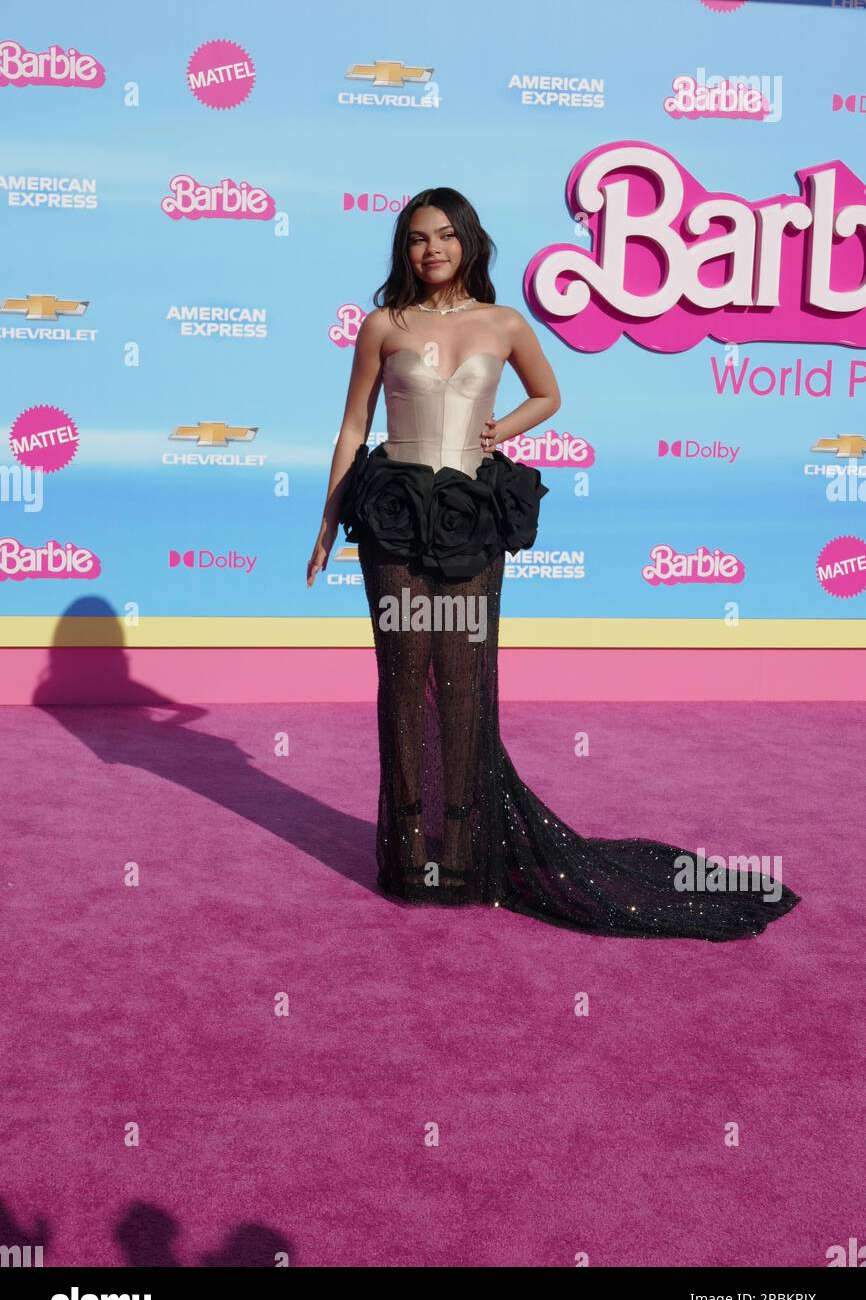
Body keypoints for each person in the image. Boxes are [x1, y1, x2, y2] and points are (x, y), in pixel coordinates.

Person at [306, 187, 800, 940]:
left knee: (465, 686)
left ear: (470, 242)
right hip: (393, 520)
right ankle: (410, 860)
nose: (432, 249)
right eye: (417, 238)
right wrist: (327, 519)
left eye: (445, 235)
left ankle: (463, 857)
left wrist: (499, 429)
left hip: (470, 515)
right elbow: (352, 427)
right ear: (404, 249)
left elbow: (549, 395)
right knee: (404, 683)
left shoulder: (504, 322)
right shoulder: (383, 324)